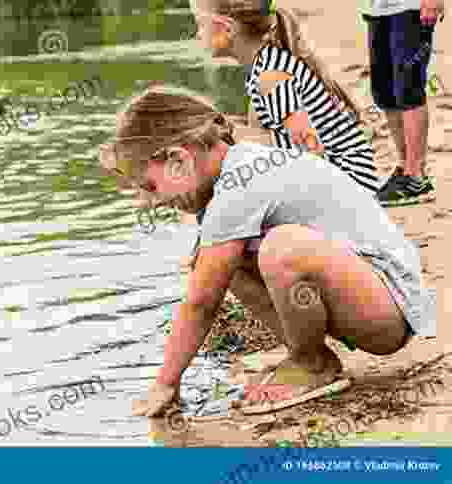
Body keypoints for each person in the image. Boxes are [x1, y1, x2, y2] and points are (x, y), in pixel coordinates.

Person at [99, 84, 435, 415]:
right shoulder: (231, 177)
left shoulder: (240, 182)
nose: (152, 201)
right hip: (364, 295)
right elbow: (207, 282)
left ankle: (310, 364)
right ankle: (310, 357)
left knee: (281, 248)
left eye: (150, 186)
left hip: (388, 311)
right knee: (214, 260)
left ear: (178, 159)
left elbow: (201, 303)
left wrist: (166, 384)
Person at [190, 0, 381, 197]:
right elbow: (260, 130)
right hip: (337, 178)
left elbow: (311, 149)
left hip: (350, 185)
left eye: (200, 25)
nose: (198, 34)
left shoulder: (271, 77)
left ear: (227, 28)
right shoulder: (262, 66)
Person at [359, 0, 443, 206]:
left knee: (409, 88)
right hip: (378, 8)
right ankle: (406, 168)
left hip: (412, 9)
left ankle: (415, 175)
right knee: (384, 92)